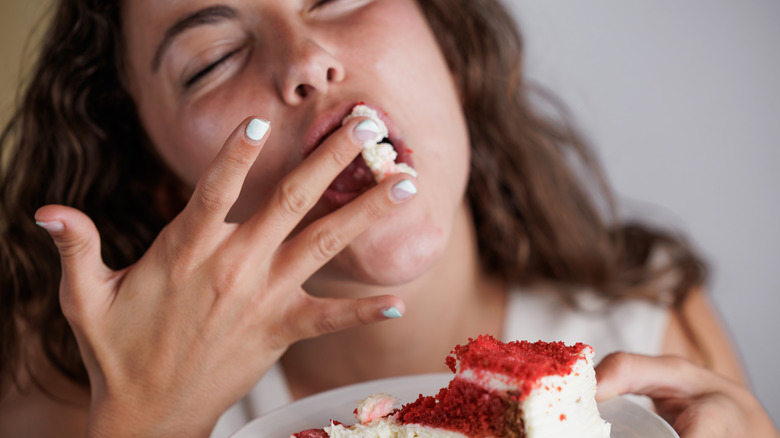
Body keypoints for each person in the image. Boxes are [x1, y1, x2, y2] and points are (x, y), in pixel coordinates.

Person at [0, 0, 776, 437]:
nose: (306, 61)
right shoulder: (77, 388)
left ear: (451, 48)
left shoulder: (651, 326)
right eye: (211, 61)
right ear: (158, 182)